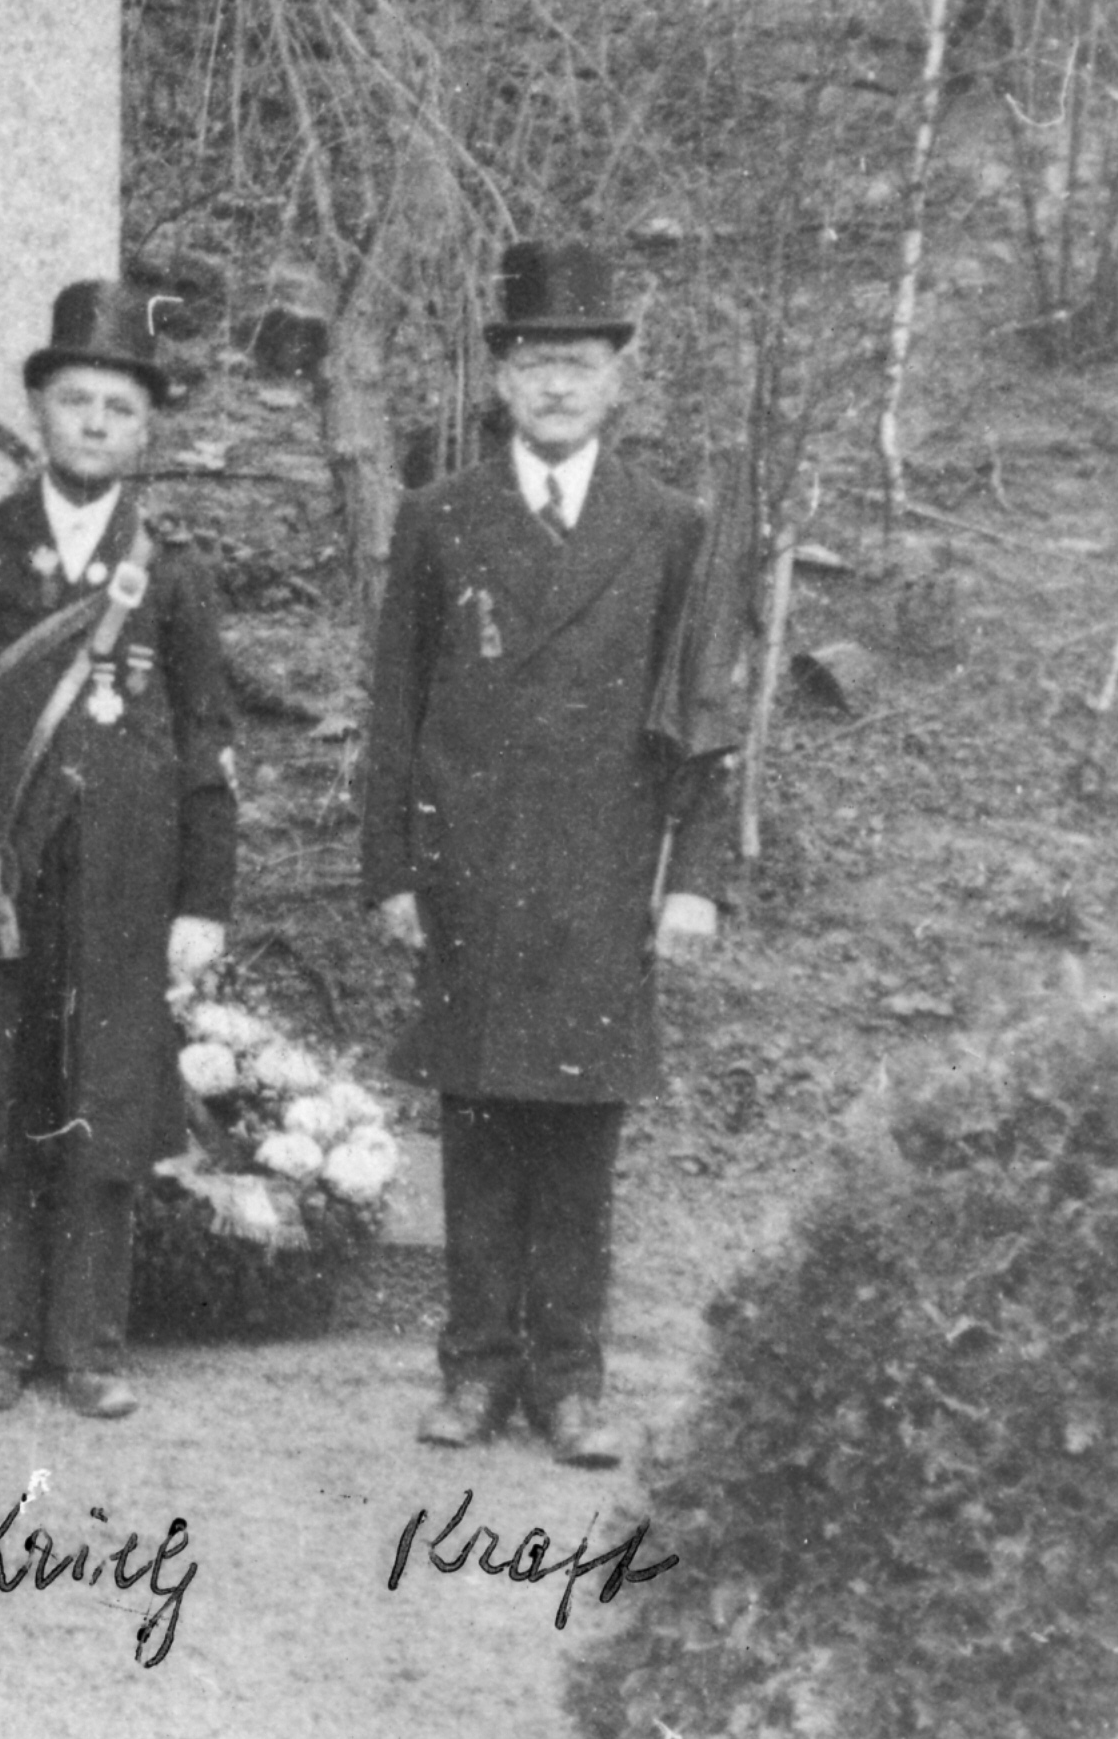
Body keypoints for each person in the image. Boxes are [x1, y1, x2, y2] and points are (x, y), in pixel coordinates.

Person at [361, 238, 726, 1469]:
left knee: (579, 1138)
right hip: (471, 867)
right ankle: (474, 1368)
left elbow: (705, 717)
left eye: (579, 363)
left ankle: (570, 1379)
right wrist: (392, 868)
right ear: (502, 381)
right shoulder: (440, 518)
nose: (557, 384)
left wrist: (694, 880)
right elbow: (395, 708)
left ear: (618, 380)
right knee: (476, 1126)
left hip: (603, 874)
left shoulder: (670, 527)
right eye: (533, 363)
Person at [0, 280, 239, 1421]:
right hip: (5, 872)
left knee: (104, 1100)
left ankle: (89, 1346)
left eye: (119, 407)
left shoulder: (170, 573)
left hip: (125, 883)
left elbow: (207, 747)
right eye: (76, 399)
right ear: (38, 410)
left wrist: (204, 899)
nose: (95, 422)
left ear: (146, 431)